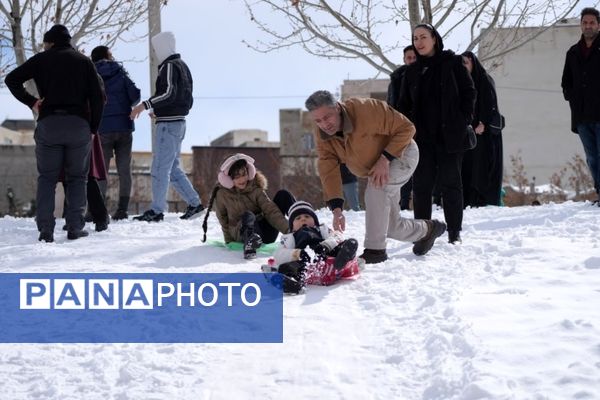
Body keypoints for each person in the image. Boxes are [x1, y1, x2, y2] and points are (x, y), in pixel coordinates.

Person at [305, 90, 446, 264]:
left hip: (401, 154)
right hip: (376, 169)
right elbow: (328, 168)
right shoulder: (323, 135)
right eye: (318, 120)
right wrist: (337, 209)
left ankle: (375, 251)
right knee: (391, 227)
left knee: (376, 188)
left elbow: (406, 128)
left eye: (327, 117)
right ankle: (428, 230)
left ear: (337, 107)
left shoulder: (365, 109)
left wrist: (384, 159)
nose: (324, 124)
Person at [5, 24, 104, 242]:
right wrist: (93, 128)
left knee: (47, 179)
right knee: (78, 178)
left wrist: (32, 102)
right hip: (78, 125)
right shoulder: (84, 61)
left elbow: (11, 79)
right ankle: (75, 227)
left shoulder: (41, 59)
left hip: (49, 123)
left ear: (50, 42)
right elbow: (98, 98)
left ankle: (46, 230)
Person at [397, 23, 476, 244]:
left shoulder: (452, 63)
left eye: (423, 37)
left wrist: (463, 120)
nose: (419, 42)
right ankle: (423, 233)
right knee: (421, 186)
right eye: (415, 38)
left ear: (434, 38)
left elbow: (469, 93)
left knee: (451, 184)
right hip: (421, 139)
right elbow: (403, 104)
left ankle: (454, 232)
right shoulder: (411, 71)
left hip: (450, 136)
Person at [130, 31, 204, 222]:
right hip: (178, 123)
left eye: (156, 48)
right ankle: (195, 204)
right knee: (173, 169)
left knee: (159, 169)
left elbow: (169, 93)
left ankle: (156, 211)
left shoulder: (169, 66)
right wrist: (162, 111)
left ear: (163, 47)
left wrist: (144, 105)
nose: (155, 53)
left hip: (169, 125)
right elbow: (185, 97)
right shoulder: (183, 66)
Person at [201, 153, 296, 259]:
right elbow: (223, 219)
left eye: (244, 174)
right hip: (241, 234)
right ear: (229, 179)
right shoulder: (222, 194)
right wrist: (229, 242)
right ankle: (250, 243)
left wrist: (289, 230)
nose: (242, 179)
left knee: (283, 195)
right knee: (248, 215)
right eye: (237, 176)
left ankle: (301, 227)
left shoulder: (255, 188)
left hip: (263, 233)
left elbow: (270, 211)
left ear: (249, 173)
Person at [91, 45, 141, 220]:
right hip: (124, 127)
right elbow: (135, 96)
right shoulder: (120, 72)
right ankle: (122, 210)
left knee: (100, 171)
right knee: (124, 170)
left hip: (102, 128)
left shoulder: (91, 75)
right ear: (107, 56)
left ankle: (97, 210)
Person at [271, 201, 359, 294]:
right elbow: (278, 254)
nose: (303, 220)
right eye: (298, 218)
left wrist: (326, 246)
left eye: (307, 216)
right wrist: (297, 254)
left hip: (327, 259)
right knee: (285, 267)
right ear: (292, 226)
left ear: (315, 221)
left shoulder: (322, 229)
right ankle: (292, 284)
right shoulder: (288, 238)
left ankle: (343, 259)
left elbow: (337, 236)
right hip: (306, 268)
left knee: (349, 243)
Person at [561, 7, 600, 205]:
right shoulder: (573, 52)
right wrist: (572, 97)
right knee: (592, 158)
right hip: (582, 115)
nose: (588, 26)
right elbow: (565, 82)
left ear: (598, 25)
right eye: (585, 22)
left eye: (592, 22)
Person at [461, 51, 504, 207]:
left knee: (483, 168)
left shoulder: (484, 79)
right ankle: (470, 200)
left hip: (484, 134)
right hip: (469, 134)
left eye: (465, 63)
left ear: (473, 62)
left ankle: (482, 201)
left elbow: (489, 103)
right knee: (468, 168)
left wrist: (483, 123)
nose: (463, 67)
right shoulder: (462, 83)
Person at [387, 45, 417, 210]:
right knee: (403, 166)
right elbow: (390, 106)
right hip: (402, 131)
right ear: (404, 60)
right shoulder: (396, 79)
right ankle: (403, 203)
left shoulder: (427, 76)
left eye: (414, 57)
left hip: (424, 130)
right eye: (408, 58)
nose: (411, 61)